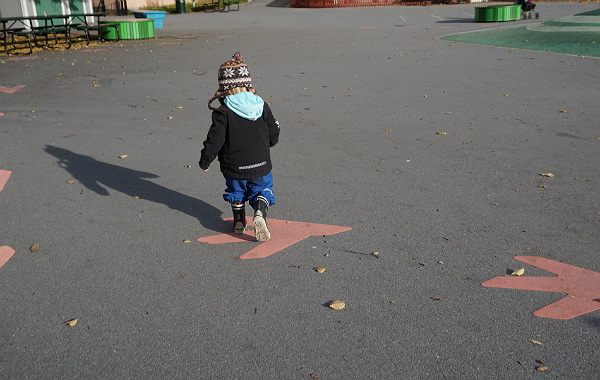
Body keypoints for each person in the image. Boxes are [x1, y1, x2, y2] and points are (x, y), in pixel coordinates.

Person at [199, 52, 280, 242]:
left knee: (236, 191)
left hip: (233, 166)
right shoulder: (261, 106)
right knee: (263, 189)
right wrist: (272, 141)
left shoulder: (223, 111)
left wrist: (206, 159)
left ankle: (238, 221)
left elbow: (215, 139)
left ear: (224, 87)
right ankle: (259, 211)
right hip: (260, 163)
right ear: (247, 83)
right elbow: (272, 131)